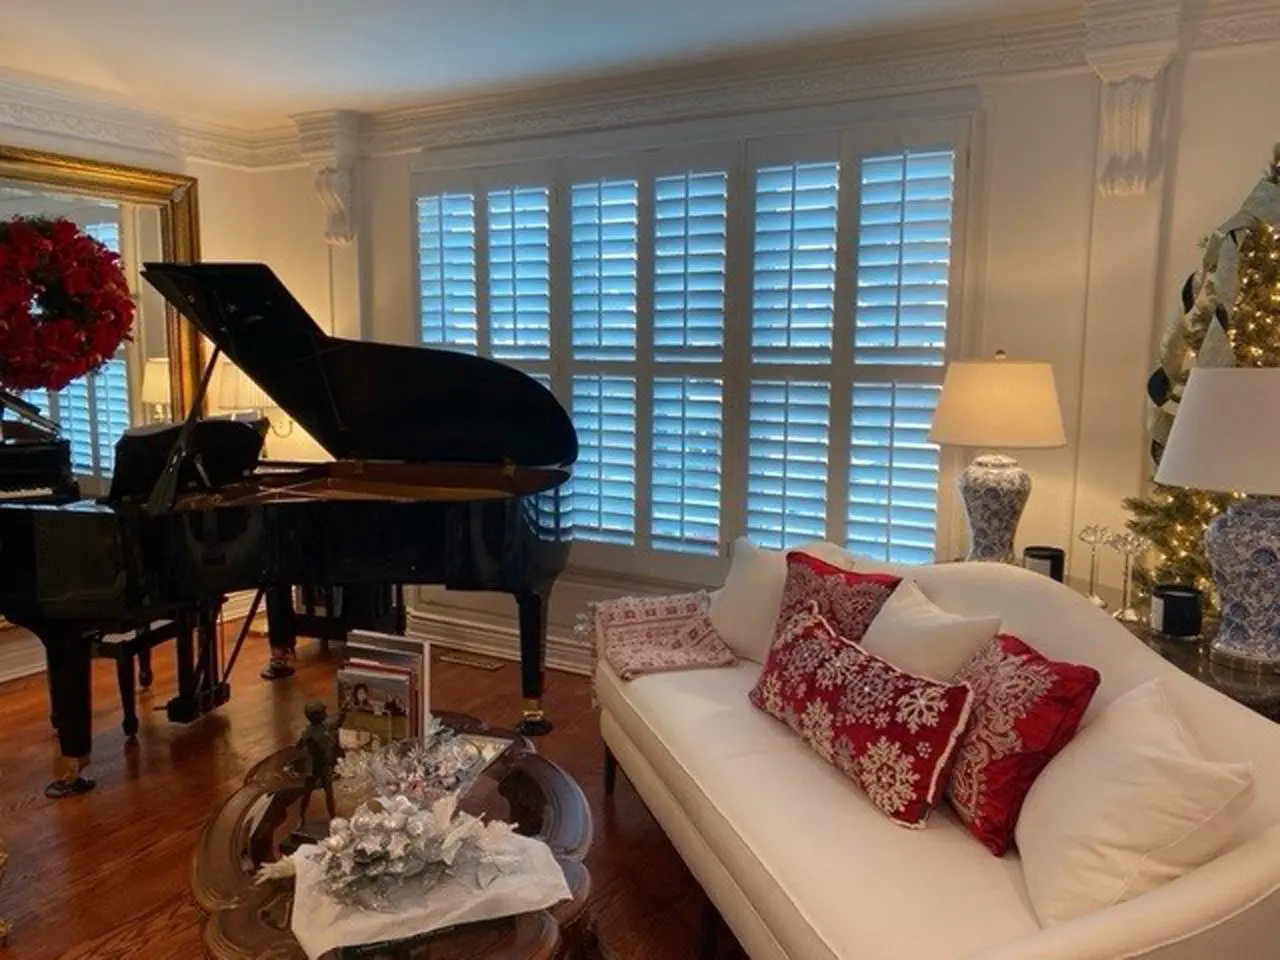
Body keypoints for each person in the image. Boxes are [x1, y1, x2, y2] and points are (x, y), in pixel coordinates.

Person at [295, 699, 340, 825]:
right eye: (323, 712)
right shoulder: (309, 733)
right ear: (317, 716)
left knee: (329, 793)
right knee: (307, 792)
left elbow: (335, 723)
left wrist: (344, 713)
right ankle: (302, 816)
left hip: (325, 765)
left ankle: (332, 817)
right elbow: (299, 747)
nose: (326, 713)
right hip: (315, 767)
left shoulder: (323, 727)